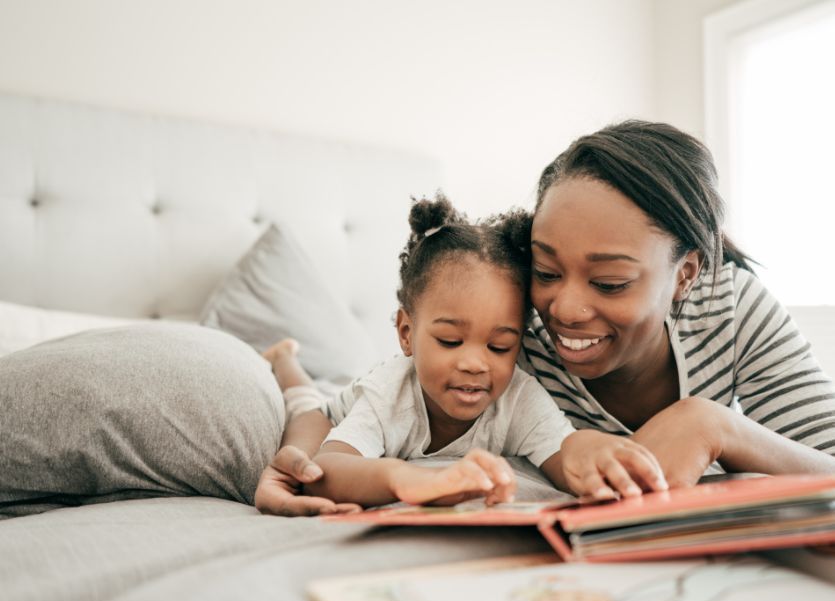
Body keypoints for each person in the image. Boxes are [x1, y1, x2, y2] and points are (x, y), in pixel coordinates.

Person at [259, 120, 835, 516]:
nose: (564, 309)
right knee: (308, 389)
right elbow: (362, 406)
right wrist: (293, 464)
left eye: (609, 282)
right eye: (546, 271)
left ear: (685, 274)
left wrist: (716, 426)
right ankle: (285, 360)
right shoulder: (508, 335)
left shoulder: (734, 309)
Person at [255, 195, 667, 515]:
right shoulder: (389, 394)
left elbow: (564, 453)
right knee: (306, 407)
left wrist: (594, 454)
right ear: (406, 333)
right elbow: (330, 469)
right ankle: (285, 359)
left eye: (499, 347)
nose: (475, 363)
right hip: (334, 412)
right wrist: (407, 478)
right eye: (451, 342)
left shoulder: (519, 398)